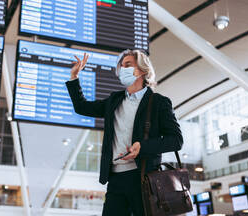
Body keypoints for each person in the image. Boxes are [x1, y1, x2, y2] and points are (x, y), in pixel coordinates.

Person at [65, 49, 183, 216]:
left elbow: (176, 140)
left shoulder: (158, 102)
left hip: (143, 179)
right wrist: (74, 78)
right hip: (115, 179)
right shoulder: (115, 100)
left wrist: (142, 146)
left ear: (142, 70)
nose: (122, 69)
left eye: (128, 65)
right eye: (121, 66)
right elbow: (82, 107)